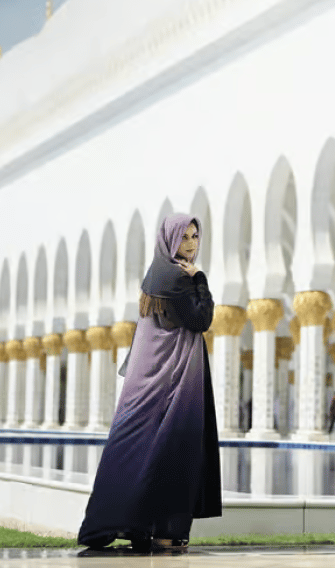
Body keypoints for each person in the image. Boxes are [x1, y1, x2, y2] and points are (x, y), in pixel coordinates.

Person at [78, 213, 222, 554]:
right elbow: (202, 319)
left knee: (143, 450)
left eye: (195, 236)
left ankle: (135, 527)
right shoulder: (177, 277)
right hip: (173, 382)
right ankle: (165, 534)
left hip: (151, 381)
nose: (190, 243)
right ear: (169, 240)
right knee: (175, 452)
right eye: (184, 236)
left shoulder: (154, 275)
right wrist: (201, 279)